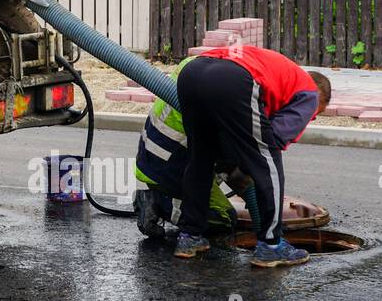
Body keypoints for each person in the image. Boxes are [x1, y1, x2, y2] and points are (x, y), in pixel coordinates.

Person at [172, 46, 331, 268]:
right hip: (233, 79)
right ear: (320, 99)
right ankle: (271, 245)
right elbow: (273, 140)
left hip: (191, 72)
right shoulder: (310, 93)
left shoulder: (280, 73)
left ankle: (189, 237)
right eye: (314, 115)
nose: (309, 118)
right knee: (269, 163)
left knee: (201, 157)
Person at [133, 56, 250, 239]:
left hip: (155, 157)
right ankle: (160, 204)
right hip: (169, 167)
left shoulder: (197, 65)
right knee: (224, 218)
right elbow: (231, 161)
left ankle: (164, 197)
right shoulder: (226, 93)